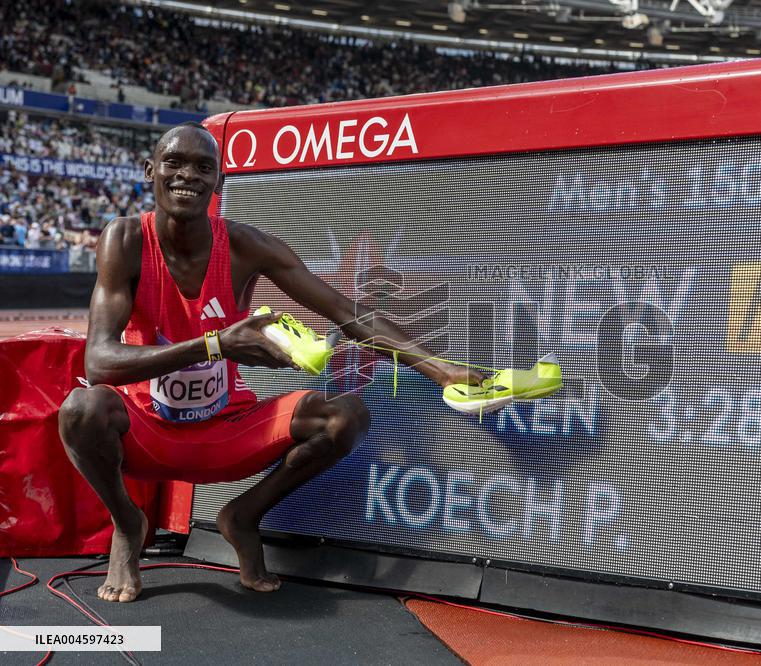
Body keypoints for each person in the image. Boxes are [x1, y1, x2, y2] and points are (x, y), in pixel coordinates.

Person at [58, 121, 482, 603]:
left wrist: (439, 370)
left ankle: (242, 516)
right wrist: (215, 344)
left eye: (204, 167)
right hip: (147, 433)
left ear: (219, 182)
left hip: (227, 429)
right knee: (81, 409)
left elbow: (349, 313)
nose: (187, 176)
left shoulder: (246, 245)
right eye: (174, 163)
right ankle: (128, 524)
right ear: (150, 170)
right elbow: (98, 362)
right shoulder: (125, 239)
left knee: (345, 416)